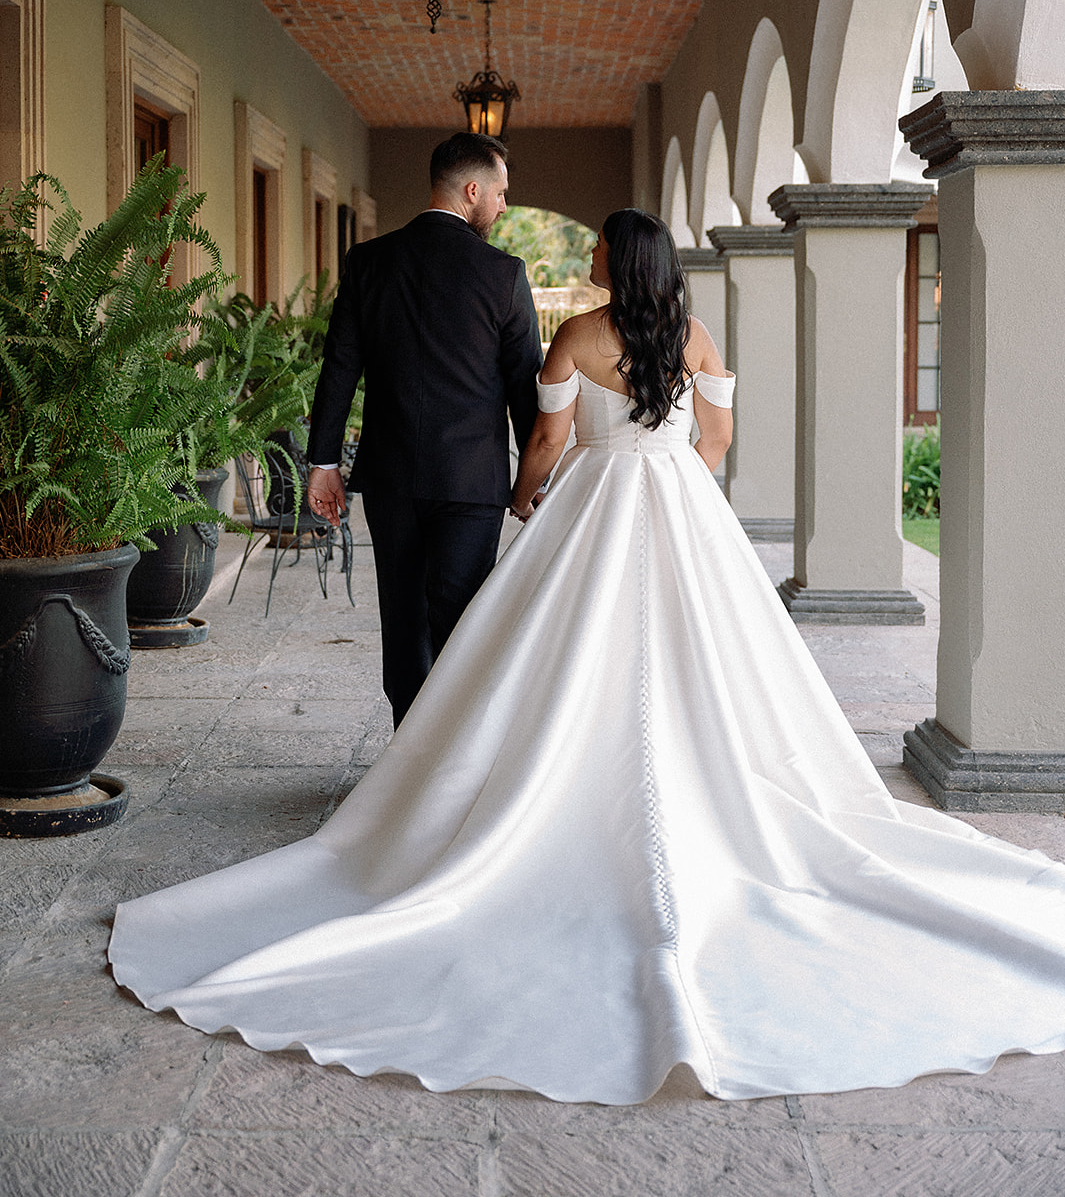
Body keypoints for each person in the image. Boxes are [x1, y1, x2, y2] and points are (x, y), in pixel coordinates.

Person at [110, 209, 1065, 1105]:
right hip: (678, 503)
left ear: (619, 263)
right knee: (707, 666)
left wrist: (532, 498)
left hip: (596, 503)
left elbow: (548, 440)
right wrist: (677, 481)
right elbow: (719, 434)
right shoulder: (691, 337)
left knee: (548, 655)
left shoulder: (578, 339)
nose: (595, 260)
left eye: (603, 250)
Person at [304, 131, 542, 728]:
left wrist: (323, 463)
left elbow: (340, 369)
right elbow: (523, 389)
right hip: (471, 482)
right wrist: (534, 479)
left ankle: (407, 758)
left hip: (391, 480)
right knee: (461, 622)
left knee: (402, 618)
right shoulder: (504, 274)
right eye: (500, 193)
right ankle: (450, 763)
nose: (504, 206)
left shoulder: (368, 262)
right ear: (471, 190)